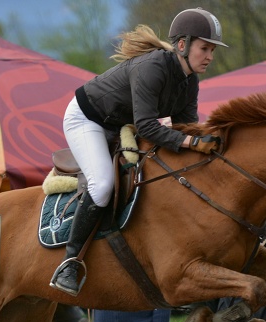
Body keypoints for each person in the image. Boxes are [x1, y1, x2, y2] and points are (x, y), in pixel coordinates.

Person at [50, 8, 226, 295]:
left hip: (119, 122)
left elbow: (185, 127)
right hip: (87, 119)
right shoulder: (153, 67)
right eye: (205, 48)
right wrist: (193, 143)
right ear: (182, 44)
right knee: (103, 184)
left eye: (212, 50)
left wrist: (209, 141)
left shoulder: (190, 80)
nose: (210, 56)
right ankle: (69, 262)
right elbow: (146, 127)